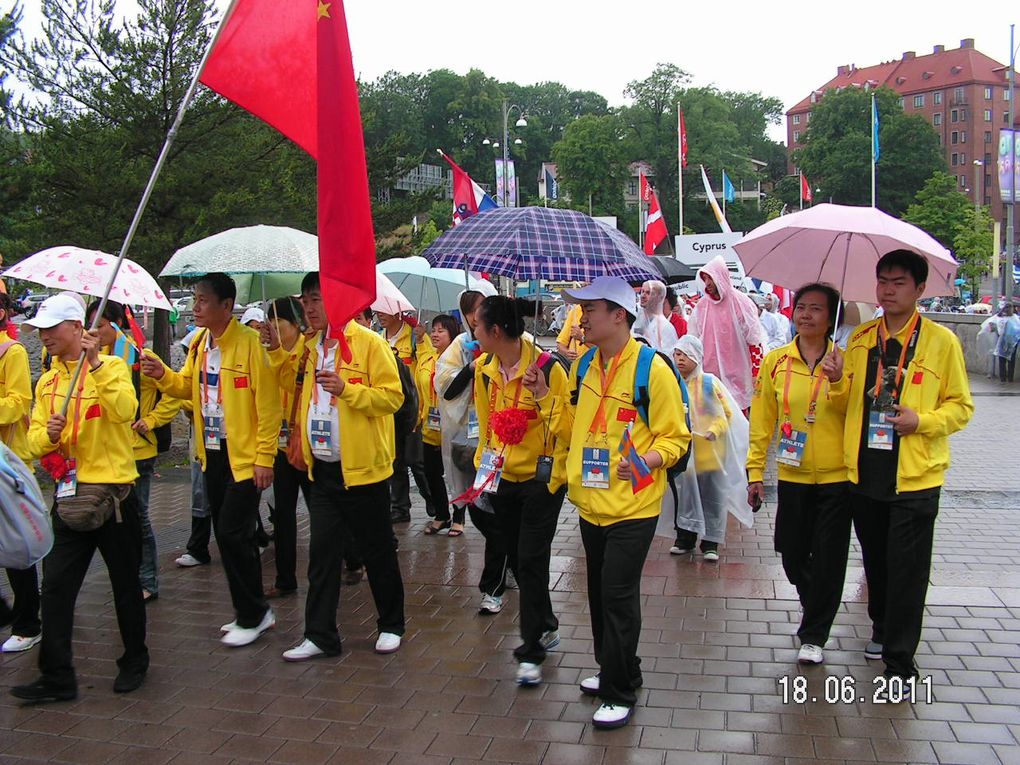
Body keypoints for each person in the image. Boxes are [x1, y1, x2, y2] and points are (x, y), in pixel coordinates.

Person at [528, 276, 690, 730]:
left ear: (619, 314)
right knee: (599, 594)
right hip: (591, 502)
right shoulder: (583, 367)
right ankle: (618, 670)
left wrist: (647, 459)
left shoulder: (651, 369)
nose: (581, 318)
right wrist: (543, 396)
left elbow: (676, 436)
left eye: (590, 310)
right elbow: (571, 427)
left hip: (634, 506)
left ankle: (620, 693)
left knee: (618, 595)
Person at [834, 249, 973, 687]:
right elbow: (844, 405)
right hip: (865, 470)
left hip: (915, 476)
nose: (888, 290)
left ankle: (899, 662)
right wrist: (836, 379)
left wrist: (922, 421)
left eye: (898, 282)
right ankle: (880, 625)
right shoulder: (860, 340)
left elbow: (961, 407)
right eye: (882, 281)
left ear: (919, 289)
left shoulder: (940, 342)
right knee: (876, 562)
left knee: (909, 570)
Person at [12, 295, 147, 701]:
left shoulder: (113, 366)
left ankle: (135, 660)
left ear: (76, 327)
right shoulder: (48, 381)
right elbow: (34, 441)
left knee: (125, 585)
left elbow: (125, 410)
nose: (44, 335)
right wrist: (48, 435)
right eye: (41, 328)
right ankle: (57, 676)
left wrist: (95, 366)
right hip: (69, 496)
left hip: (113, 496)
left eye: (52, 328)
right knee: (54, 587)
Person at [140, 273, 281, 648]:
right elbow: (188, 386)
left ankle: (254, 613)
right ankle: (251, 610)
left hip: (244, 457)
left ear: (226, 306)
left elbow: (268, 408)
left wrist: (264, 458)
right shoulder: (201, 343)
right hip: (211, 453)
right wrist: (162, 376)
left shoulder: (252, 345)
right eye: (195, 299)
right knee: (227, 534)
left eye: (203, 301)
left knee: (235, 533)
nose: (196, 307)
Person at [275, 272, 406, 661]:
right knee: (322, 555)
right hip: (324, 470)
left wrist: (347, 390)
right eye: (305, 301)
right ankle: (319, 635)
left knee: (377, 550)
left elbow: (392, 397)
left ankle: (392, 623)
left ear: (338, 300)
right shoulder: (308, 346)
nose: (309, 309)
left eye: (316, 300)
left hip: (364, 470)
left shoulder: (368, 344)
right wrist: (275, 349)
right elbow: (286, 383)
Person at [747, 284, 850, 665]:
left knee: (828, 557)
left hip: (838, 477)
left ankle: (814, 632)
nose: (806, 315)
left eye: (816, 309)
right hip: (793, 474)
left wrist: (838, 381)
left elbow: (852, 412)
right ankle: (817, 602)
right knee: (790, 552)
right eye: (801, 307)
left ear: (831, 318)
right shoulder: (776, 361)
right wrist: (754, 471)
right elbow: (762, 421)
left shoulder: (846, 362)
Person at [472, 296, 569, 687]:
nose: (473, 332)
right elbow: (486, 424)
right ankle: (545, 623)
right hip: (501, 479)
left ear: (496, 332)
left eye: (478, 326)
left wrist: (543, 395)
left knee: (530, 559)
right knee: (518, 558)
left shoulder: (548, 367)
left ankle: (530, 651)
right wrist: (482, 476)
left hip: (541, 481)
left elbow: (566, 428)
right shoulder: (482, 370)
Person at [86, 300, 182, 604]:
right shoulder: (94, 360)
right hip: (108, 451)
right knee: (117, 521)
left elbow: (173, 394)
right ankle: (127, 577)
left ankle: (148, 581)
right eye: (92, 325)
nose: (96, 331)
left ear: (117, 324)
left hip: (138, 451)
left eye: (100, 324)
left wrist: (150, 420)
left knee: (138, 517)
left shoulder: (140, 357)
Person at [435, 288, 512, 615]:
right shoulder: (461, 348)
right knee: (479, 509)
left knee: (497, 512)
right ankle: (507, 558)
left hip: (502, 443)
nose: (477, 318)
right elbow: (447, 389)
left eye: (483, 310)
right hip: (471, 443)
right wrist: (471, 367)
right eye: (472, 312)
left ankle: (494, 583)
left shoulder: (507, 345)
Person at [664, 336, 750, 562]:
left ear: (696, 356)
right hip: (686, 453)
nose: (680, 359)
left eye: (685, 354)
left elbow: (727, 413)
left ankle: (711, 543)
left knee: (712, 497)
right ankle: (685, 539)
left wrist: (714, 430)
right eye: (677, 354)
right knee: (685, 497)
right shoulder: (674, 383)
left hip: (710, 454)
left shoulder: (710, 383)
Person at [259, 297, 311, 598]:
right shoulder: (267, 352)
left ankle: (351, 559)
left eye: (280, 325)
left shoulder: (309, 351)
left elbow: (294, 384)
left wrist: (277, 353)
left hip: (308, 444)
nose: (275, 331)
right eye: (271, 325)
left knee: (323, 510)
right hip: (281, 445)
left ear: (296, 325)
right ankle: (284, 578)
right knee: (283, 513)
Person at [0, 293, 41, 654]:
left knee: (16, 546)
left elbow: (17, 404)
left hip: (9, 463)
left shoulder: (10, 352)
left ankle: (29, 622)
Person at [377, 310, 435, 523]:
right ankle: (401, 508)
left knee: (416, 461)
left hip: (411, 407)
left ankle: (432, 498)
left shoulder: (413, 336)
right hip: (390, 407)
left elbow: (427, 364)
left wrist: (421, 338)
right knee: (396, 461)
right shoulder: (379, 337)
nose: (379, 315)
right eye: (377, 311)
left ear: (397, 312)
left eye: (384, 311)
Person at [688, 255, 767, 412]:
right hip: (710, 375)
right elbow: (693, 339)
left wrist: (756, 372)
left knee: (738, 421)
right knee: (713, 424)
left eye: (711, 278)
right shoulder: (702, 306)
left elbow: (755, 340)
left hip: (738, 374)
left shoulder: (741, 302)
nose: (708, 284)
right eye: (705, 279)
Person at [419, 314, 461, 536]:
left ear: (452, 335)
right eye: (433, 330)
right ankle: (442, 515)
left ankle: (459, 517)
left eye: (440, 330)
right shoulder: (427, 360)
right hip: (430, 427)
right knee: (432, 473)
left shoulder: (459, 361)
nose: (434, 334)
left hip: (453, 427)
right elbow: (419, 391)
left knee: (455, 474)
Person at [632, 280, 678, 354]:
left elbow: (669, 357)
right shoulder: (635, 320)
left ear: (659, 297)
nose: (643, 296)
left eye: (648, 293)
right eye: (642, 291)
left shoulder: (665, 326)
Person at [994, 304, 1020, 383]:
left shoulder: (1000, 318)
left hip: (1002, 341)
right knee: (1011, 360)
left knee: (1002, 360)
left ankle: (1003, 378)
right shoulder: (1015, 318)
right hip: (1012, 342)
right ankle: (1010, 378)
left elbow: (999, 331)